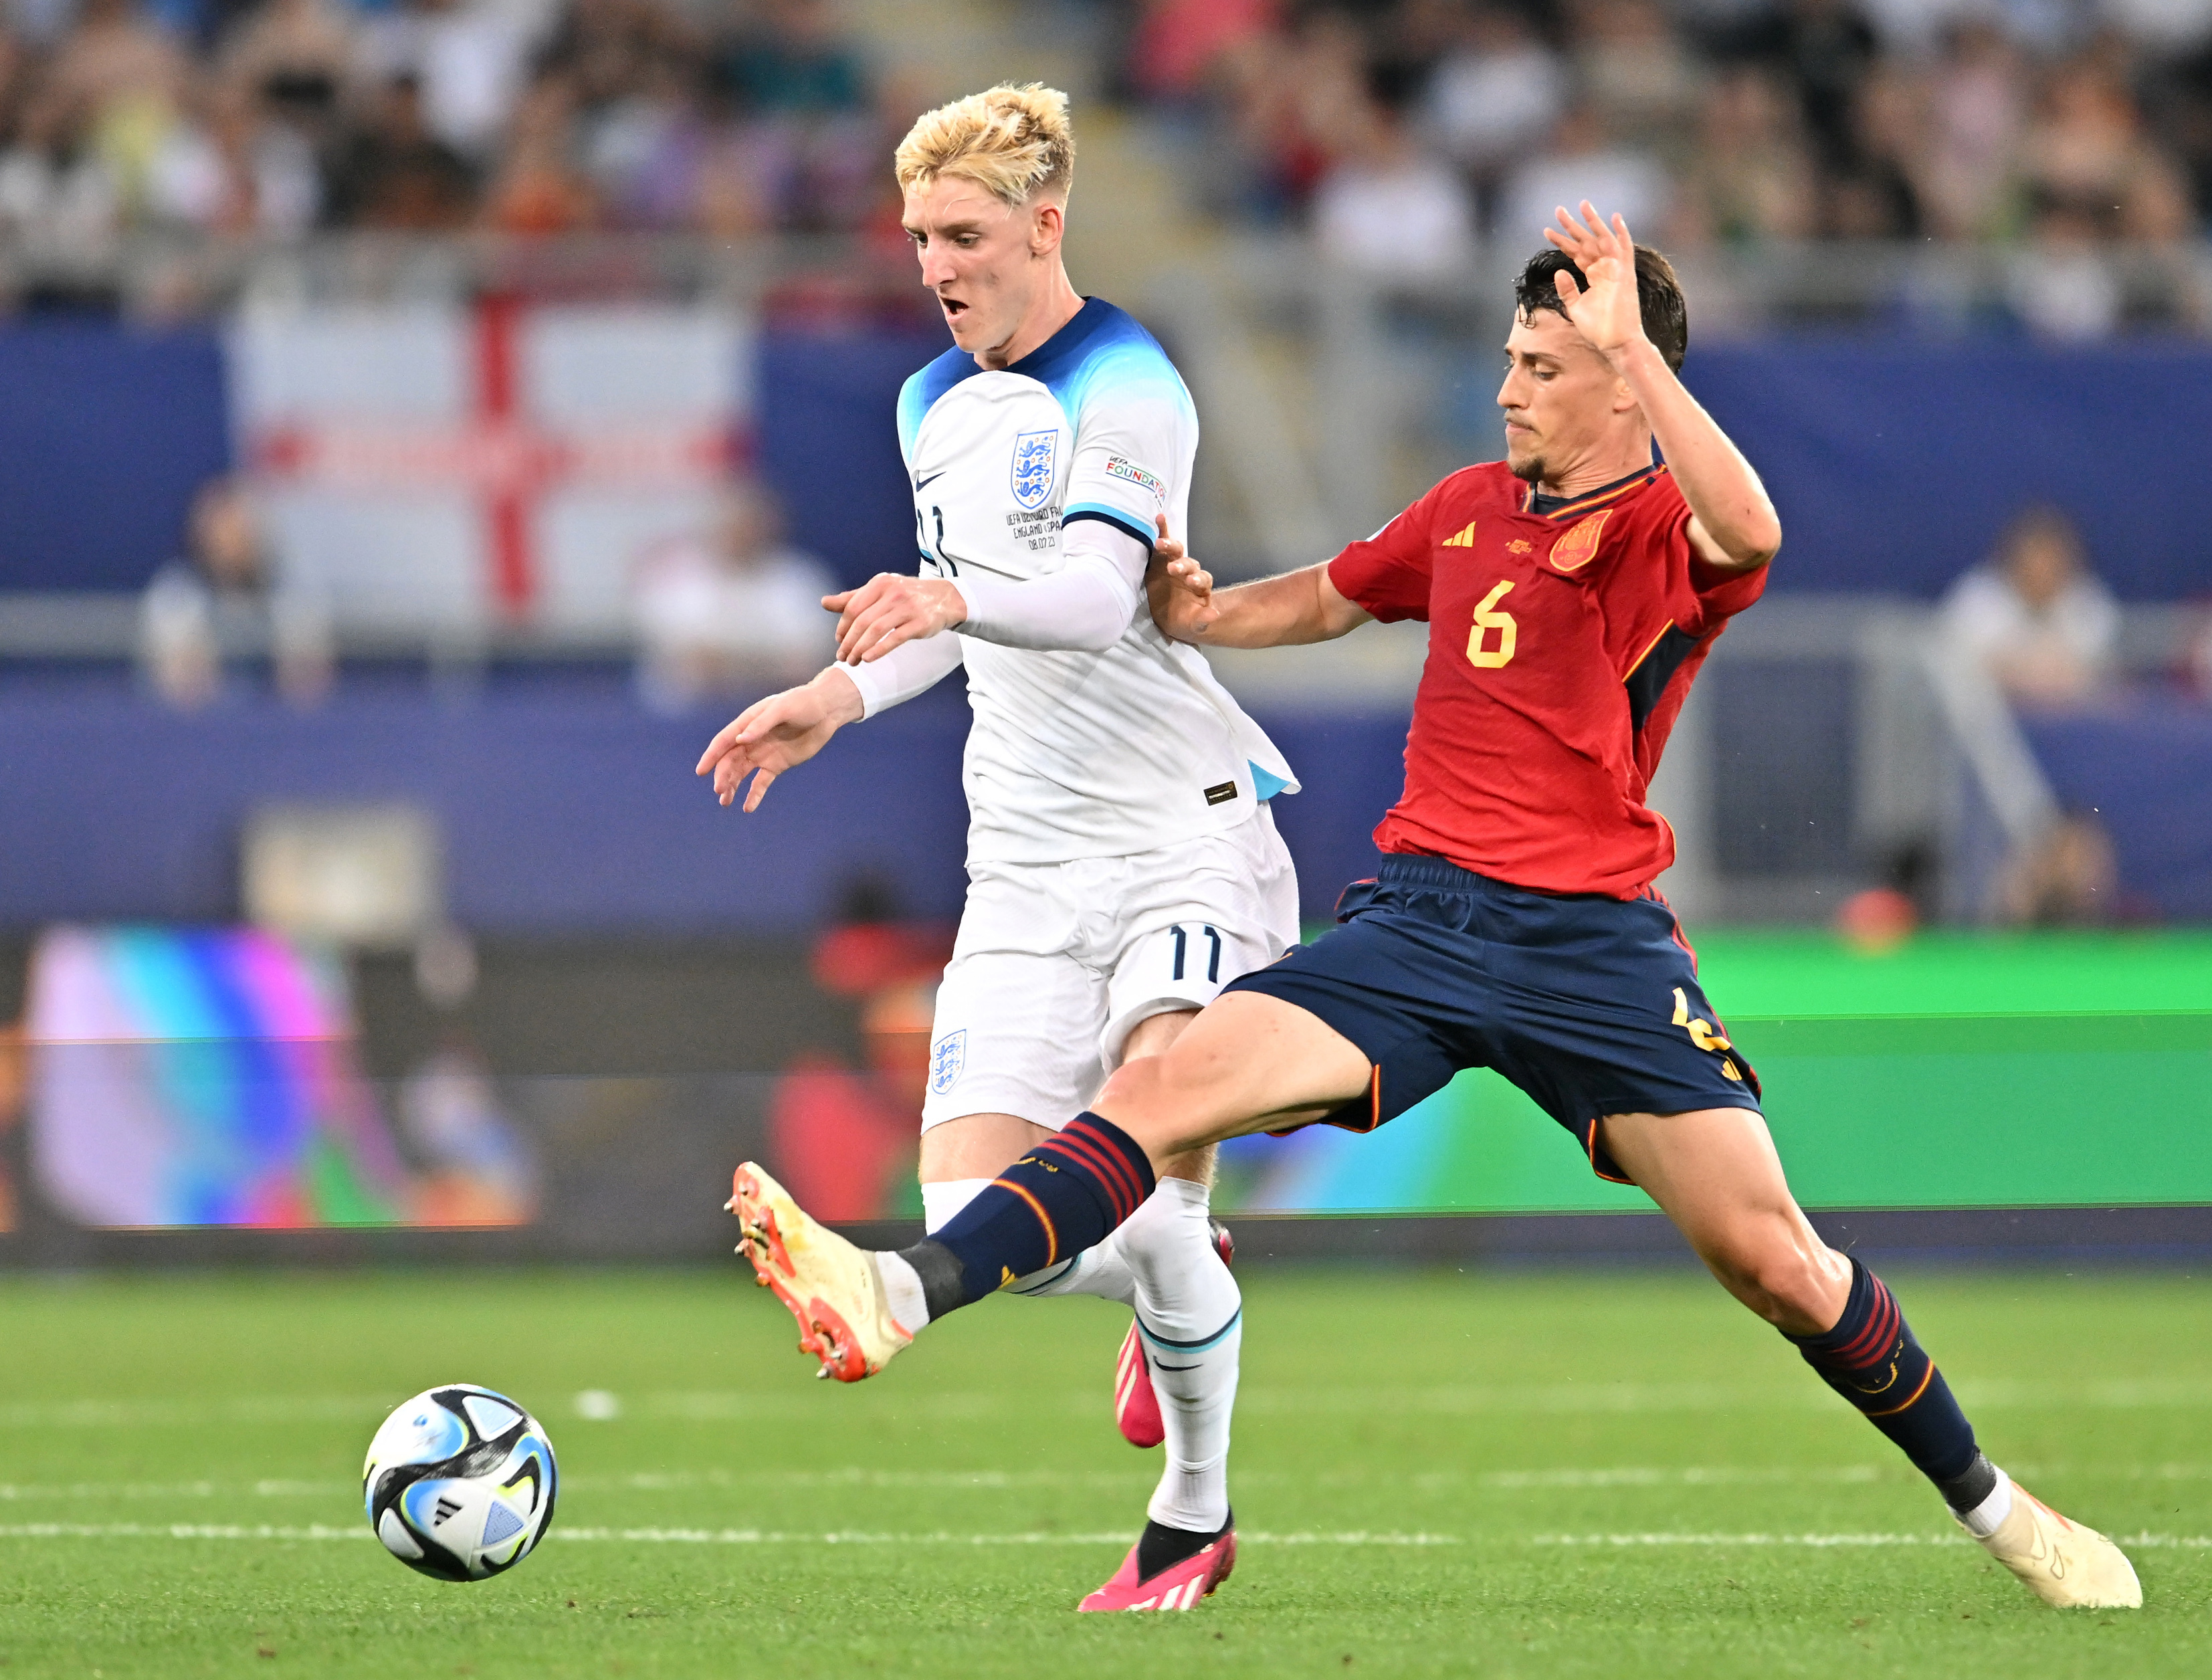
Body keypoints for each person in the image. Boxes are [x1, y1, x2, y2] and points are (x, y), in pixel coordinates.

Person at [728, 203, 2144, 1616]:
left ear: (1621, 381)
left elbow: (1750, 526)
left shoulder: (1663, 526)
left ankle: (2004, 1509)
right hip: (1416, 923)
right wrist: (1203, 611)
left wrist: (1641, 355)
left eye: (1543, 364)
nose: (1512, 385)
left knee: (1775, 1262)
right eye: (1514, 357)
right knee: (1161, 1090)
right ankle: (901, 1291)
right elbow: (1334, 597)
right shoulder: (1469, 506)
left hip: (1592, 944)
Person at [694, 84, 1301, 1613]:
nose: (937, 266)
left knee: (1138, 1160)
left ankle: (1193, 1515)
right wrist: (835, 693)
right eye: (916, 239)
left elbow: (1096, 597)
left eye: (964, 235)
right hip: (1023, 864)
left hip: (1184, 835)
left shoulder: (1132, 383)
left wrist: (944, 604)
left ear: (1045, 227)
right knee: (1006, 1227)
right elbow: (945, 617)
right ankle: (1185, 1266)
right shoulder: (927, 405)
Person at [631, 482, 835, 708]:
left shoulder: (800, 581)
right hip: (686, 719)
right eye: (733, 525)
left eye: (750, 525)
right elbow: (689, 660)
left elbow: (806, 664)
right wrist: (761, 665)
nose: (740, 534)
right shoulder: (677, 578)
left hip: (780, 717)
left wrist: (735, 665)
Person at [140, 474, 332, 708]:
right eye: (223, 532)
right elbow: (177, 684)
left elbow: (308, 683)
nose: (233, 543)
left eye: (241, 531)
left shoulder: (291, 596)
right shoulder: (176, 592)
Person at [1941, 503, 2116, 706]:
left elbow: (2095, 676)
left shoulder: (2089, 603)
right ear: (2014, 558)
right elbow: (1955, 674)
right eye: (2035, 558)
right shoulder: (1976, 601)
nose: (2042, 570)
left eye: (2052, 560)